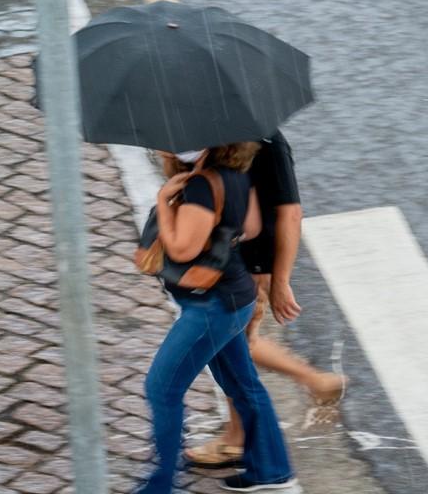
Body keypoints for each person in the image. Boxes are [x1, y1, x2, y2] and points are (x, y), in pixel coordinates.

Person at [138, 144, 297, 493]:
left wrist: (165, 202)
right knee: (243, 383)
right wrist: (221, 231)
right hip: (234, 298)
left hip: (212, 306)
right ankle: (272, 470)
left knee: (162, 388)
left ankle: (160, 484)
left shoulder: (200, 186)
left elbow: (181, 249)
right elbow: (252, 226)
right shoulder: (235, 175)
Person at [184, 131, 345, 470]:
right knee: (234, 344)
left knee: (232, 346)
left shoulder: (268, 142)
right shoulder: (213, 129)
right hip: (228, 257)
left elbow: (291, 214)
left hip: (250, 262)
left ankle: (238, 438)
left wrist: (280, 281)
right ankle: (313, 383)